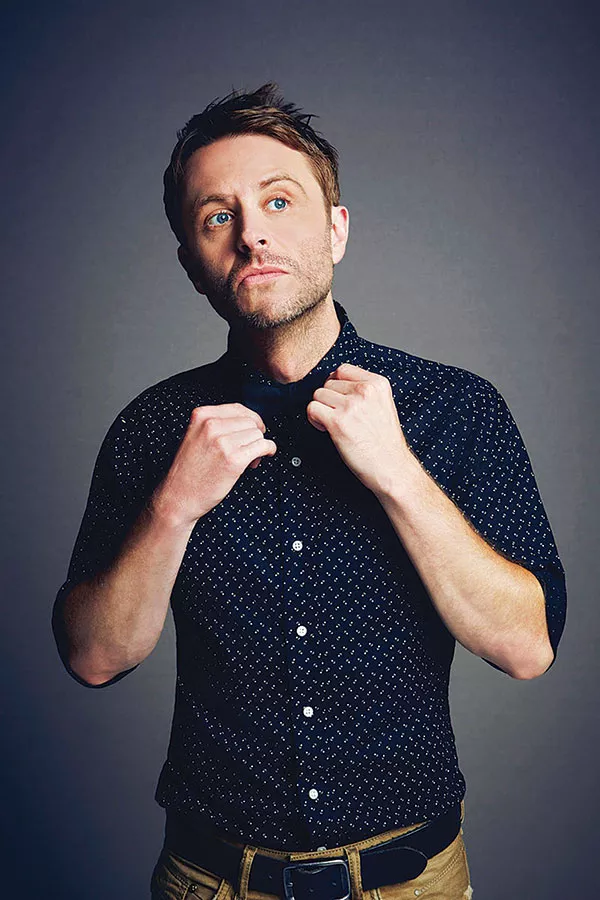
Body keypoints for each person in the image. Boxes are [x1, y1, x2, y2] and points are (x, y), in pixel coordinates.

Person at [52, 82, 567, 900]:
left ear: (336, 229)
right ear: (191, 264)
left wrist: (398, 473)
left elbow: (527, 648)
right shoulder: (152, 429)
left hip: (413, 882)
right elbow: (91, 658)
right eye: (217, 216)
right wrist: (173, 507)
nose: (252, 232)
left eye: (279, 201)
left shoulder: (457, 409)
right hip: (212, 881)